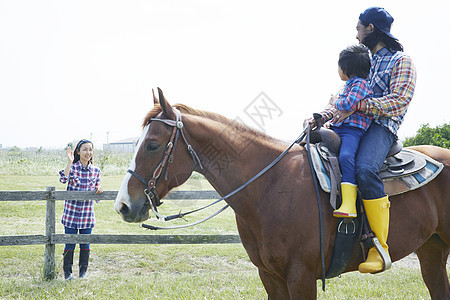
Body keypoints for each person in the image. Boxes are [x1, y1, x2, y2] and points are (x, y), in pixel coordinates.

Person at [331, 7, 417, 274]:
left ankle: (379, 248)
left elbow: (399, 100)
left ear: (371, 28)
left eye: (359, 29)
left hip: (381, 127)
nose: (356, 36)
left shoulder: (402, 61)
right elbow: (346, 93)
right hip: (353, 125)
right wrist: (327, 111)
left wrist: (360, 107)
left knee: (365, 168)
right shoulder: (363, 60)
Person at [319, 44, 372, 218]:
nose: (338, 70)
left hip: (352, 131)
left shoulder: (361, 84)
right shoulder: (347, 86)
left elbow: (348, 104)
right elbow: (335, 109)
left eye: (339, 66)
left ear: (347, 68)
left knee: (346, 156)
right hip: (338, 127)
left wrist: (334, 102)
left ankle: (349, 203)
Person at [59, 139, 103, 280]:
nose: (88, 152)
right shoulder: (72, 168)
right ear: (78, 152)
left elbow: (97, 193)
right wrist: (69, 162)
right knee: (70, 244)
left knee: (85, 245)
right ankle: (68, 274)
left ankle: (83, 273)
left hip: (87, 216)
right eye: (84, 149)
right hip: (71, 215)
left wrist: (99, 190)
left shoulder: (96, 171)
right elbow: (63, 180)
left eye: (90, 149)